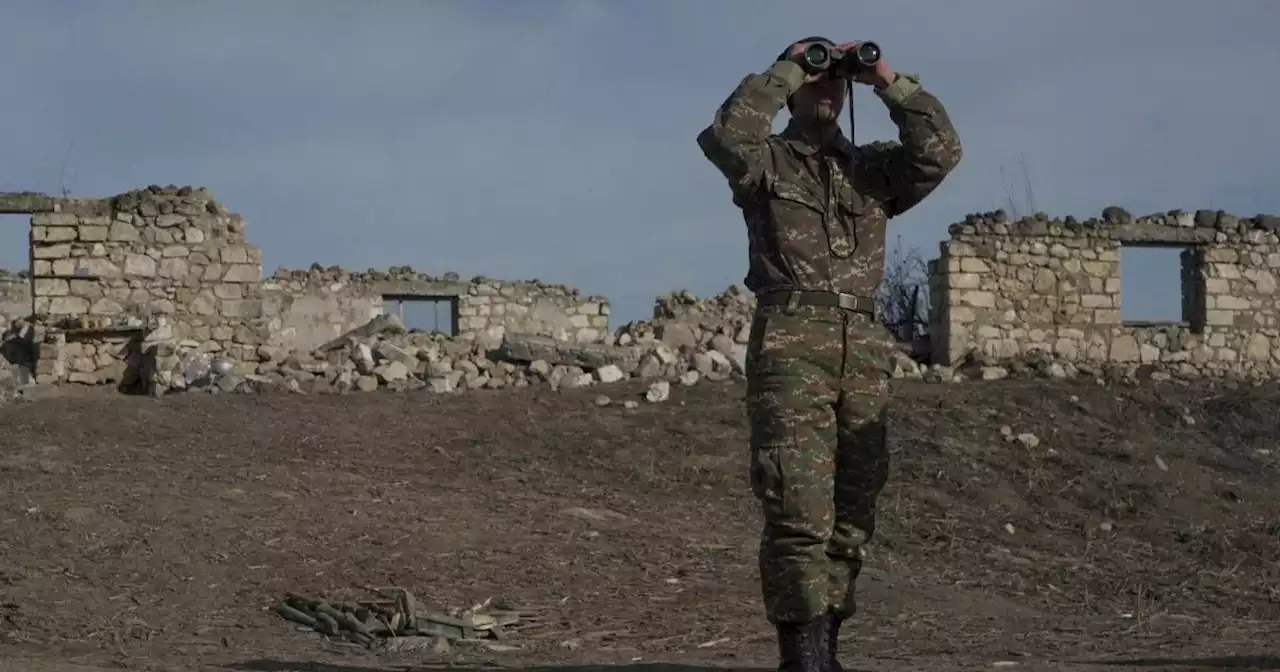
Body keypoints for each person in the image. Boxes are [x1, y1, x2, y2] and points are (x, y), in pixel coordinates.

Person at [695, 37, 962, 672]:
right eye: (816, 77)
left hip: (864, 349)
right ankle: (802, 655)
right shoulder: (766, 162)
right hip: (792, 340)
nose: (825, 87)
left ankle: (829, 648)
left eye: (832, 79)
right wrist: (790, 67)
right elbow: (726, 133)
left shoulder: (873, 170)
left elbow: (941, 151)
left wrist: (883, 78)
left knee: (855, 509)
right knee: (797, 507)